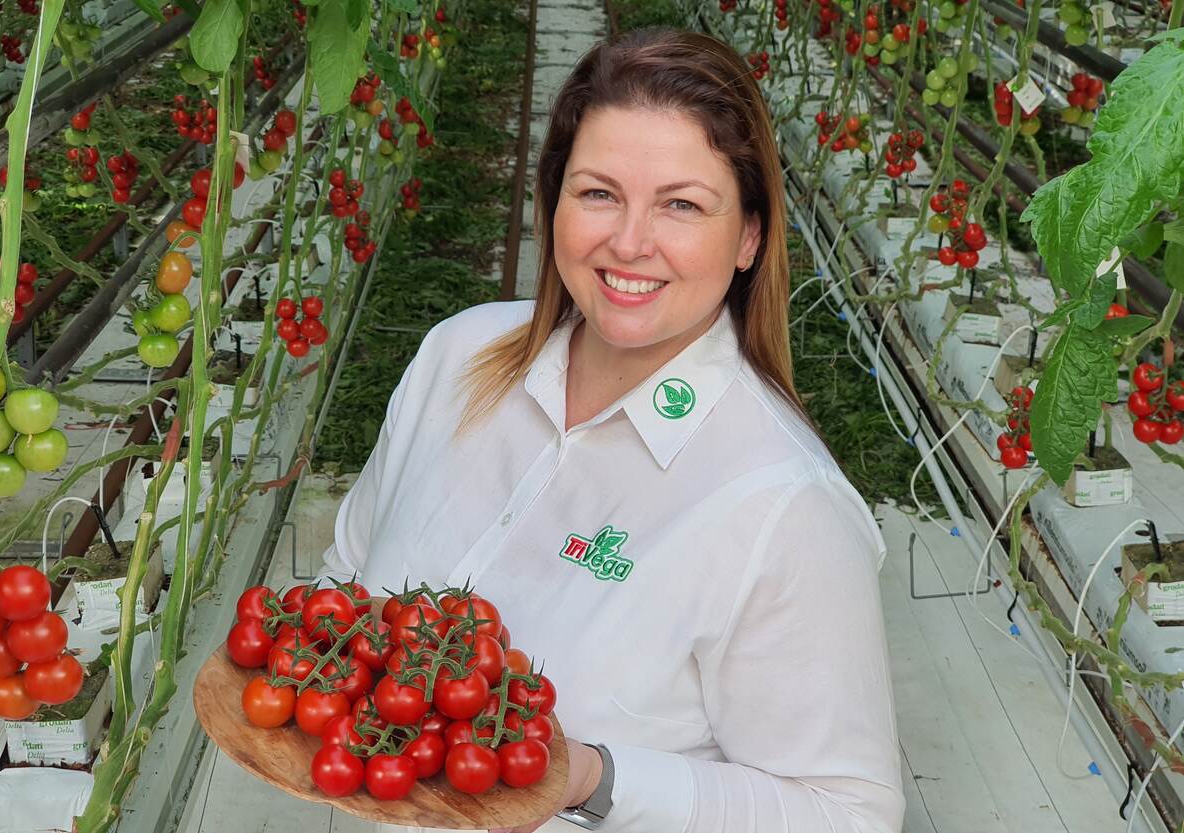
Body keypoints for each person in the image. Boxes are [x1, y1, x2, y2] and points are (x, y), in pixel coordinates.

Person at [319, 26, 904, 833]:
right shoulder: (457, 357)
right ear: (553, 202)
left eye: (682, 205)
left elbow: (847, 813)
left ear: (749, 237)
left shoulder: (781, 509)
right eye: (598, 192)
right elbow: (345, 576)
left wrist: (594, 777)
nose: (629, 242)